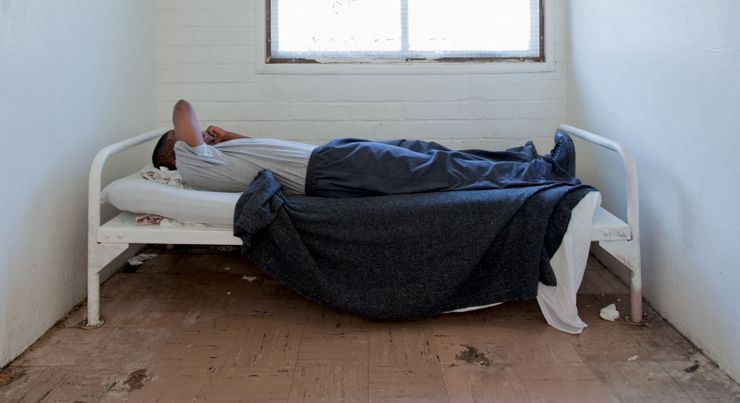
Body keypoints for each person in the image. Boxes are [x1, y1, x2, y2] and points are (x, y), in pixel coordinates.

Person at [152, 100, 577, 196]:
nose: (196, 136)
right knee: (441, 169)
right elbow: (183, 107)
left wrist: (227, 136)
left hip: (332, 156)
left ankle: (528, 160)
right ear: (172, 155)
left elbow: (256, 150)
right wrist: (190, 134)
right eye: (180, 139)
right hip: (332, 171)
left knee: (430, 152)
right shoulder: (190, 164)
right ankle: (546, 174)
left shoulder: (209, 156)